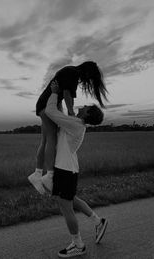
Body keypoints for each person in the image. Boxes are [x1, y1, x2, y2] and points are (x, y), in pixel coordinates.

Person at [42, 81, 108, 257]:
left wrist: (55, 93)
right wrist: (62, 100)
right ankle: (98, 221)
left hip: (65, 170)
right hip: (67, 169)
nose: (84, 105)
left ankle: (78, 245)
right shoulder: (75, 123)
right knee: (71, 200)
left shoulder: (76, 124)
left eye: (86, 106)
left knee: (66, 207)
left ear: (87, 113)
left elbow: (50, 112)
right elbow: (61, 115)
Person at [28, 61, 108, 194]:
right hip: (48, 104)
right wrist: (71, 115)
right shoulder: (73, 73)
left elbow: (67, 96)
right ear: (87, 71)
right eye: (90, 77)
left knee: (46, 140)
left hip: (45, 103)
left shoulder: (71, 72)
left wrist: (67, 114)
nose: (88, 81)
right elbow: (66, 95)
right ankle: (49, 175)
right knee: (51, 138)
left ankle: (37, 174)